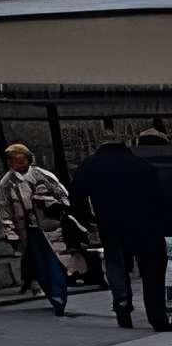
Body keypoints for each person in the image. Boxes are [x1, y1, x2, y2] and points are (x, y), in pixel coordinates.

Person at [70, 128, 172, 332]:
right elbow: (160, 198)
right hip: (147, 227)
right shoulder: (141, 165)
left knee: (117, 267)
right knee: (152, 273)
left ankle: (122, 308)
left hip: (112, 227)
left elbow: (76, 196)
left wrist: (88, 220)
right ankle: (157, 318)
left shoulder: (91, 164)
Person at [0, 143, 78, 315]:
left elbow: (63, 196)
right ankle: (52, 294)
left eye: (19, 159)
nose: (16, 163)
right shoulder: (7, 182)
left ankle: (58, 294)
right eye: (12, 160)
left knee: (54, 261)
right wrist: (10, 233)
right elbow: (5, 209)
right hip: (28, 229)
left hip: (49, 225)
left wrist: (47, 202)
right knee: (40, 265)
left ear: (27, 159)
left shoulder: (42, 175)